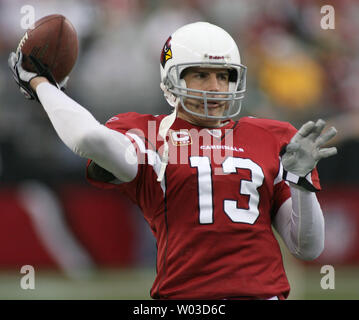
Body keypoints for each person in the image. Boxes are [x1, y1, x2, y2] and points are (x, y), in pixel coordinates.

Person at [9, 22, 338, 300]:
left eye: (224, 76)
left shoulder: (271, 136)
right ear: (172, 80)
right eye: (201, 76)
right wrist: (41, 84)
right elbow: (87, 139)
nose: (215, 88)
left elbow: (307, 248)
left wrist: (301, 182)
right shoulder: (150, 132)